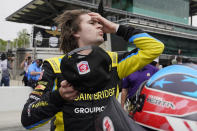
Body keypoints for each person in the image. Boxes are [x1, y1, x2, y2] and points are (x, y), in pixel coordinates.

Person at [21, 9, 164, 131]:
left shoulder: (113, 61)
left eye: (100, 23)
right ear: (75, 32)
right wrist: (58, 97)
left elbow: (155, 47)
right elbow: (28, 118)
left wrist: (116, 28)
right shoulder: (54, 66)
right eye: (92, 23)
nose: (100, 26)